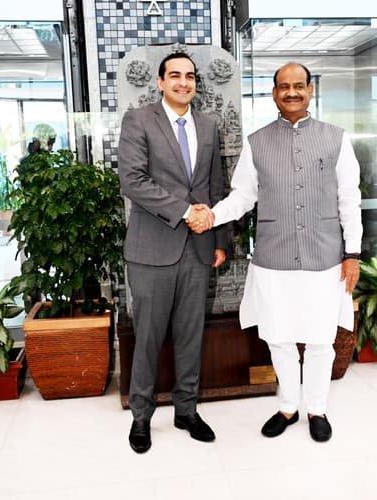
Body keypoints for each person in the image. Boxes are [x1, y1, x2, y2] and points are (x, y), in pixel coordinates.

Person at [190, 62, 362, 443]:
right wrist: (212, 215)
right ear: (274, 93)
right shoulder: (257, 142)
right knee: (279, 337)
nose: (292, 92)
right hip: (273, 259)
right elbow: (243, 197)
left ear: (310, 90)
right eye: (284, 86)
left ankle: (316, 408)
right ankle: (288, 405)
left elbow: (350, 199)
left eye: (299, 86)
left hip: (324, 258)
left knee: (320, 339)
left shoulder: (336, 139)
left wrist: (353, 253)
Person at [117, 52, 227, 454]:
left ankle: (186, 410)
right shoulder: (139, 120)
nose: (184, 82)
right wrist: (185, 212)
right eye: (175, 75)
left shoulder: (208, 125)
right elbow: (132, 180)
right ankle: (141, 416)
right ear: (160, 82)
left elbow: (215, 186)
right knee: (147, 337)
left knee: (190, 335)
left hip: (198, 249)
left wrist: (219, 239)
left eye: (190, 76)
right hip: (151, 249)